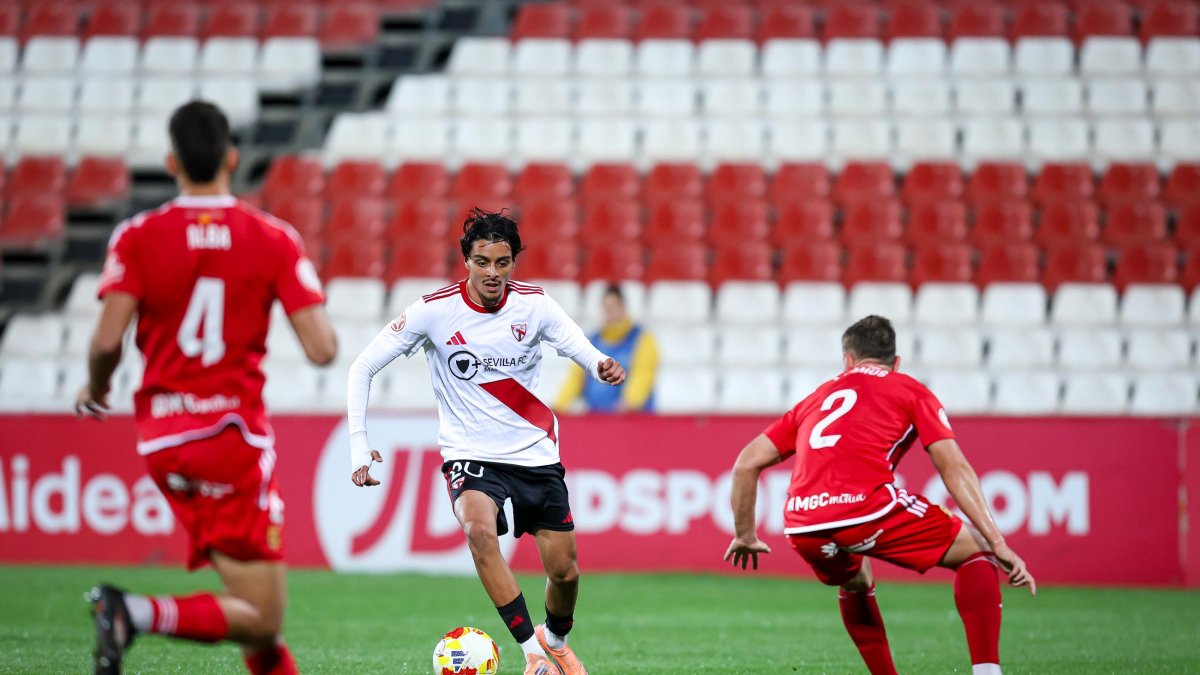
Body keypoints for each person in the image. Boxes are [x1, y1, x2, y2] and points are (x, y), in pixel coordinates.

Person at [76, 101, 337, 675]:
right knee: (263, 617)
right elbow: (322, 349)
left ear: (171, 162)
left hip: (163, 440)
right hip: (230, 439)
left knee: (256, 621)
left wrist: (97, 387)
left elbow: (104, 343)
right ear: (233, 159)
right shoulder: (272, 237)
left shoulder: (137, 235)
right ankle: (134, 614)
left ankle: (136, 614)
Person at [346, 209, 626, 675]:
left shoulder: (535, 305)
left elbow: (580, 348)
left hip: (535, 453)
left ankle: (553, 640)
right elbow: (363, 366)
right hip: (470, 455)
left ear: (514, 261)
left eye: (501, 262)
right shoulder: (434, 310)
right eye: (482, 262)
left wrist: (601, 365)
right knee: (479, 530)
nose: (491, 273)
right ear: (466, 261)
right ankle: (530, 654)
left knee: (565, 572)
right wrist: (360, 443)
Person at [723, 315, 1035, 675]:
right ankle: (987, 673)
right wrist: (998, 540)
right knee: (977, 548)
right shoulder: (909, 389)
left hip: (803, 524)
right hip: (865, 511)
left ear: (848, 360)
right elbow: (953, 467)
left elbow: (745, 464)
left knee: (856, 577)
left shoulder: (816, 398)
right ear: (896, 362)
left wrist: (745, 535)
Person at [555, 283, 657, 413]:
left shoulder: (642, 340)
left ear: (623, 307)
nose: (609, 312)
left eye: (613, 307)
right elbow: (575, 378)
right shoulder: (591, 341)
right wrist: (560, 407)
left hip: (631, 419)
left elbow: (642, 377)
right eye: (606, 307)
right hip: (597, 420)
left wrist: (629, 405)